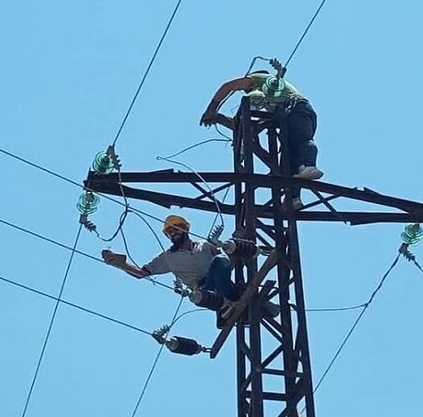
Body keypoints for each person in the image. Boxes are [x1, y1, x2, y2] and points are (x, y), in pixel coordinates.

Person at [101, 214, 279, 317]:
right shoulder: (168, 257)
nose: (173, 234)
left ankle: (245, 304)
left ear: (185, 229)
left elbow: (228, 261)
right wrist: (121, 264)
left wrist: (234, 246)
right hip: (205, 289)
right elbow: (142, 273)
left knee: (221, 261)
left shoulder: (204, 245)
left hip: (224, 283)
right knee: (218, 267)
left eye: (175, 229)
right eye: (169, 232)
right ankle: (229, 305)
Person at [199, 70, 322, 209]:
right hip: (293, 115)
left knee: (301, 140)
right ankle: (293, 199)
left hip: (297, 109)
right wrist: (220, 119)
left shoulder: (260, 78)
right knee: (288, 160)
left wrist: (211, 108)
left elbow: (228, 86)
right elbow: (248, 127)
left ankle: (310, 165)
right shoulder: (273, 101)